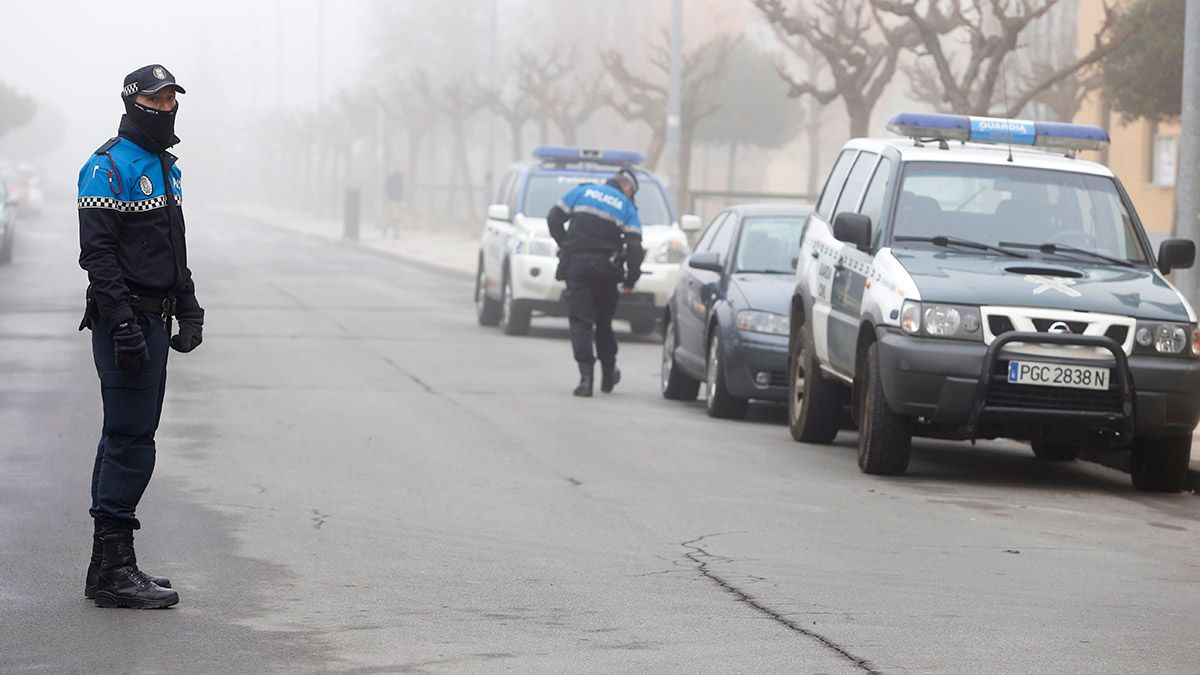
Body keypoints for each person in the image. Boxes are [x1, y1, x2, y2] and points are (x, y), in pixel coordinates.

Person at [76, 64, 203, 609]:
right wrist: (123, 323)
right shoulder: (105, 167)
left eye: (173, 96)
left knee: (127, 436)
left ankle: (104, 567)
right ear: (133, 102)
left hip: (158, 315)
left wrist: (190, 305)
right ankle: (115, 569)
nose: (167, 106)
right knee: (130, 440)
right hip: (124, 320)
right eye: (156, 98)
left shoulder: (165, 167)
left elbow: (173, 245)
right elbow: (98, 256)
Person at [547, 169, 644, 397]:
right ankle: (608, 375)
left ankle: (585, 379)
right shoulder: (626, 206)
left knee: (580, 321)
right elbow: (635, 247)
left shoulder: (582, 192)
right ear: (628, 188)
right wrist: (631, 278)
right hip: (606, 270)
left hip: (577, 266)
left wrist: (567, 244)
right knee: (603, 322)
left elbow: (553, 218)